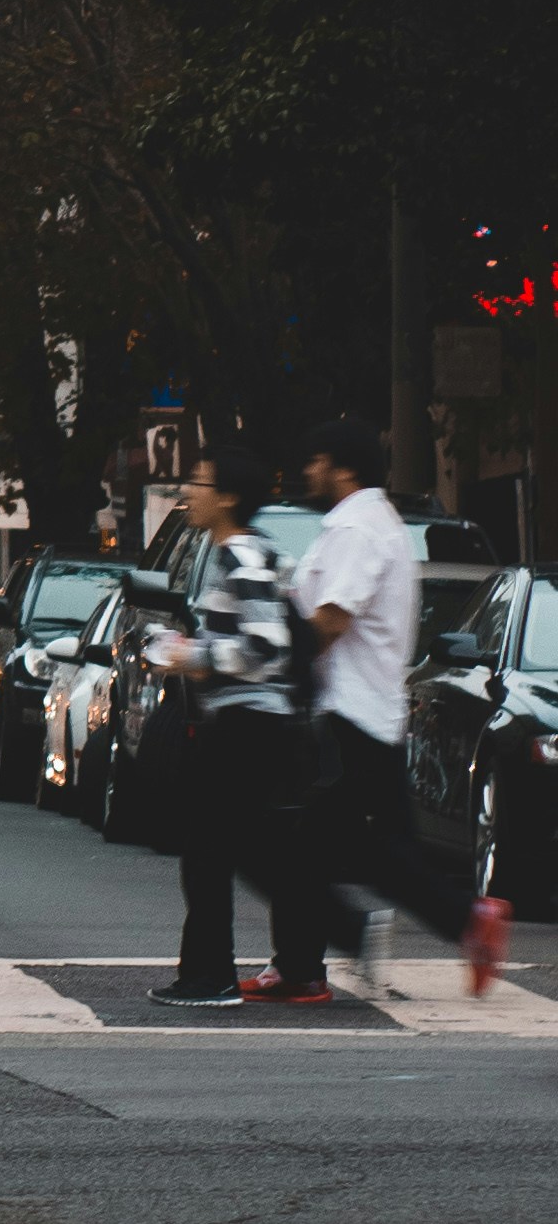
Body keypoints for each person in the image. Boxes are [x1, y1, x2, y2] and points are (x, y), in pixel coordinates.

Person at [249, 415, 509, 1004]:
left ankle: (464, 921)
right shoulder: (365, 525)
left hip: (350, 717)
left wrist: (276, 657)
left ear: (342, 469)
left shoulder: (358, 529)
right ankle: (303, 968)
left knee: (302, 845)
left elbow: (332, 618)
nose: (307, 472)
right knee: (356, 848)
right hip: (368, 713)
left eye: (315, 461)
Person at [146, 442, 303, 1009]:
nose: (186, 492)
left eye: (199, 482)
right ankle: (245, 968)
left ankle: (209, 978)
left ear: (229, 497)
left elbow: (265, 647)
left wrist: (194, 658)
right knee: (231, 850)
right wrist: (190, 646)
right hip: (245, 722)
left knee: (208, 853)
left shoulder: (243, 556)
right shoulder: (236, 554)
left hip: (249, 724)